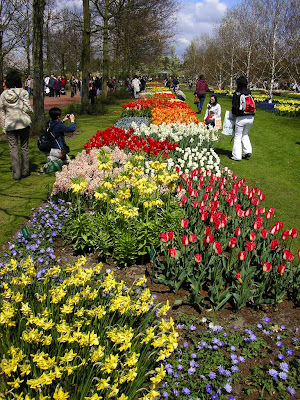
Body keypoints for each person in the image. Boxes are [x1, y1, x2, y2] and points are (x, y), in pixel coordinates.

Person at [0, 70, 33, 180]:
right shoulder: (23, 92)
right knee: (24, 147)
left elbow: (2, 112)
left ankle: (16, 173)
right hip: (23, 122)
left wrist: (3, 126)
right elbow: (26, 108)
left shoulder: (3, 95)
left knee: (13, 149)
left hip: (10, 123)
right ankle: (25, 170)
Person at [41, 107, 76, 172]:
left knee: (63, 160)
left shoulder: (48, 123)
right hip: (57, 150)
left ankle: (52, 158)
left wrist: (63, 120)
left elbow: (55, 126)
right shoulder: (59, 125)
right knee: (68, 161)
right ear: (58, 117)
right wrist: (72, 120)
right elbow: (71, 129)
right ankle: (51, 161)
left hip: (47, 148)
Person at [231, 76, 255, 161]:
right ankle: (248, 151)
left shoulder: (237, 93)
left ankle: (237, 155)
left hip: (241, 117)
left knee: (238, 136)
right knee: (245, 134)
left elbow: (234, 107)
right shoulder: (249, 92)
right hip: (251, 117)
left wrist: (233, 115)